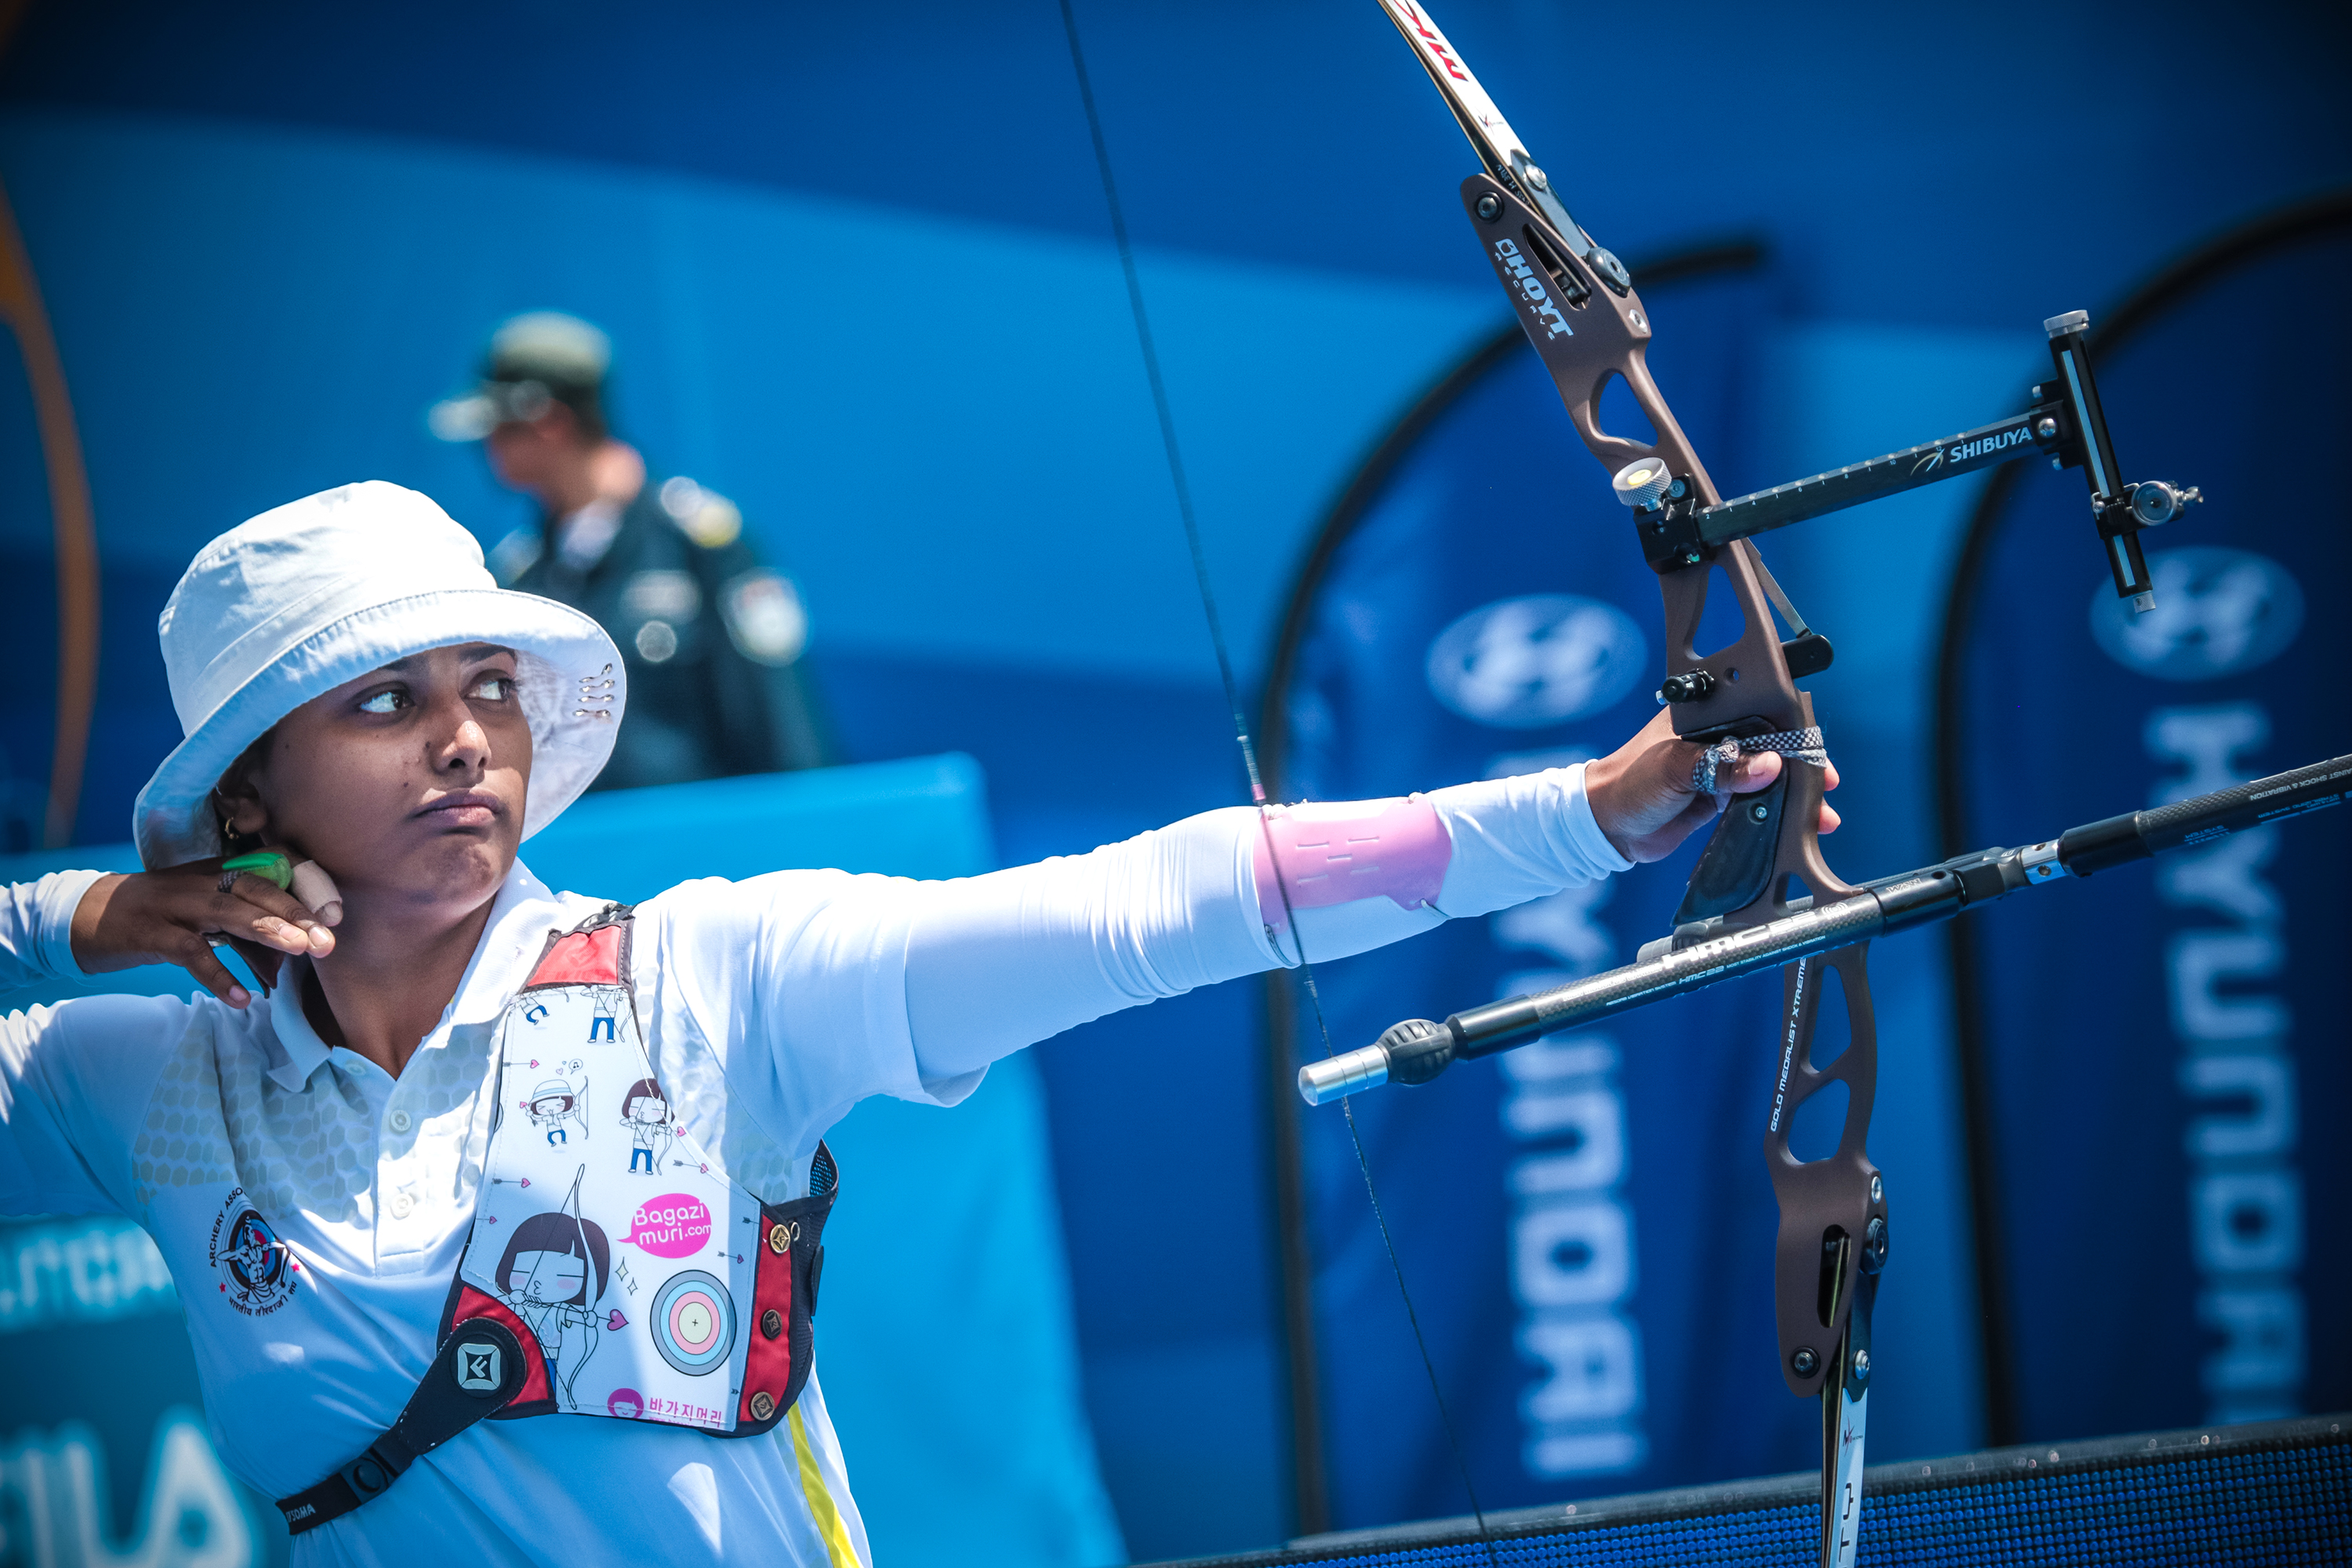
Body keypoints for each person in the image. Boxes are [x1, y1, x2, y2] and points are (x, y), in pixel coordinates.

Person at [0, 482, 1835, 1564]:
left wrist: (1589, 809)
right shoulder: (152, 1085)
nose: (465, 733)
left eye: (487, 682)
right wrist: (73, 912)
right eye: (384, 700)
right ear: (252, 782)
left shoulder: (707, 976)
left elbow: (1163, 900)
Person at [430, 311, 830, 788]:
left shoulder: (702, 545)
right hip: (580, 855)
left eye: (497, 427)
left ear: (550, 423)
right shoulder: (518, 575)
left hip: (712, 855)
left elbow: (784, 731)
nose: (486, 447)